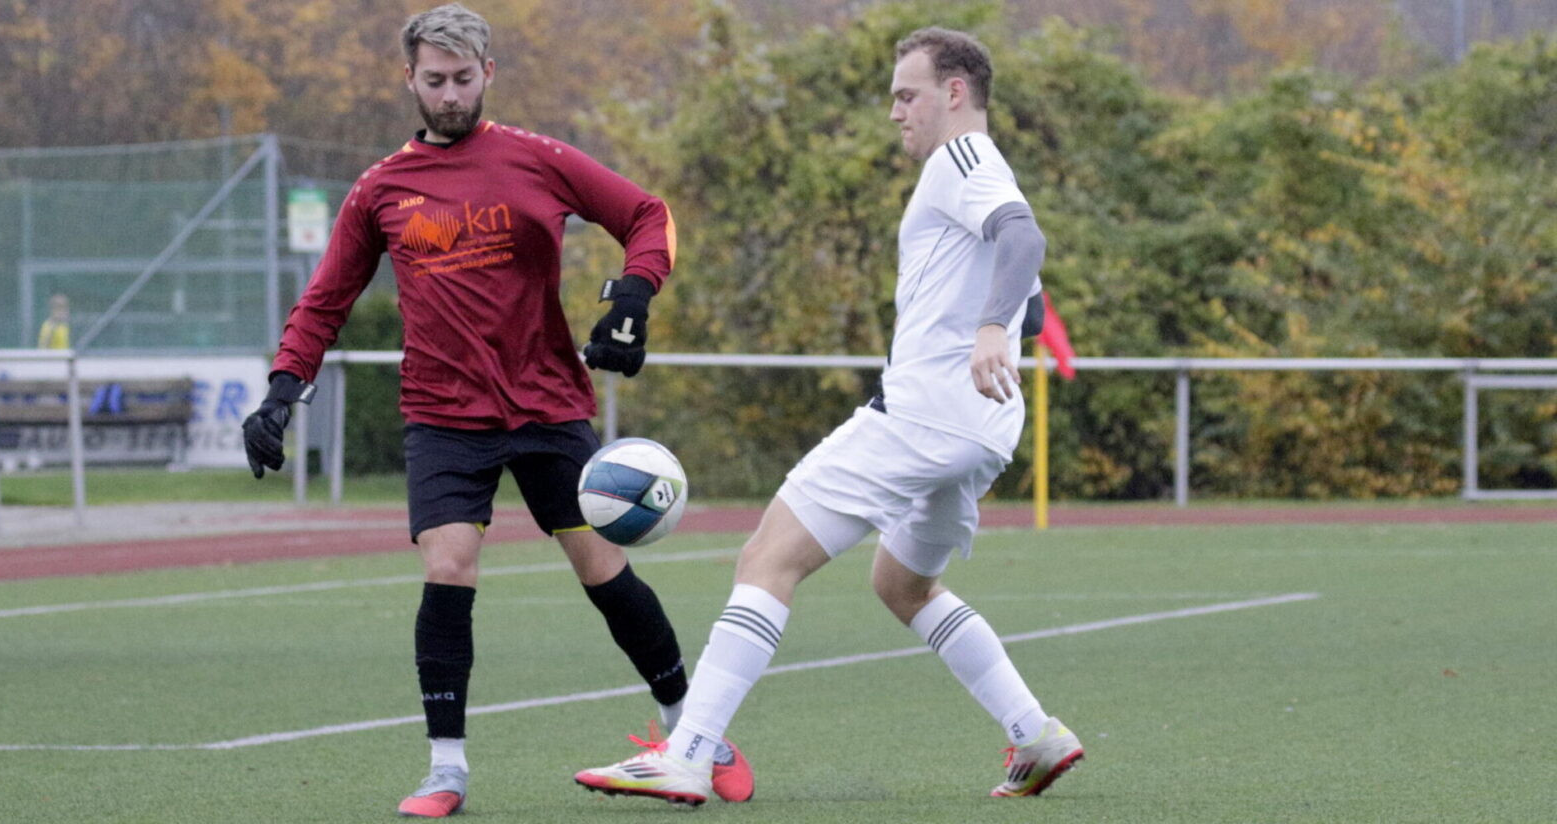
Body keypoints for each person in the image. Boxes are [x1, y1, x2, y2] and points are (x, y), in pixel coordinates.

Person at [238, 4, 752, 817]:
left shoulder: (536, 159)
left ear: (489, 76)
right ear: (409, 79)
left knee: (601, 567)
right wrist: (279, 389)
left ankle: (690, 733)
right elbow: (325, 300)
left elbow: (647, 215)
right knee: (447, 568)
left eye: (463, 80)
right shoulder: (380, 189)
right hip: (442, 415)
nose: (449, 95)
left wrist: (634, 295)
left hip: (547, 404)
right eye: (434, 81)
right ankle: (446, 771)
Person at [573, 27, 1081, 806]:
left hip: (923, 419)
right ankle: (1034, 731)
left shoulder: (964, 159)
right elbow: (1028, 281)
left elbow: (1024, 236)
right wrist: (995, 324)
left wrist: (986, 331)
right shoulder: (973, 174)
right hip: (979, 430)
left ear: (954, 94)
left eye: (905, 95)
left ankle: (688, 752)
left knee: (766, 558)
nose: (894, 113)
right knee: (903, 584)